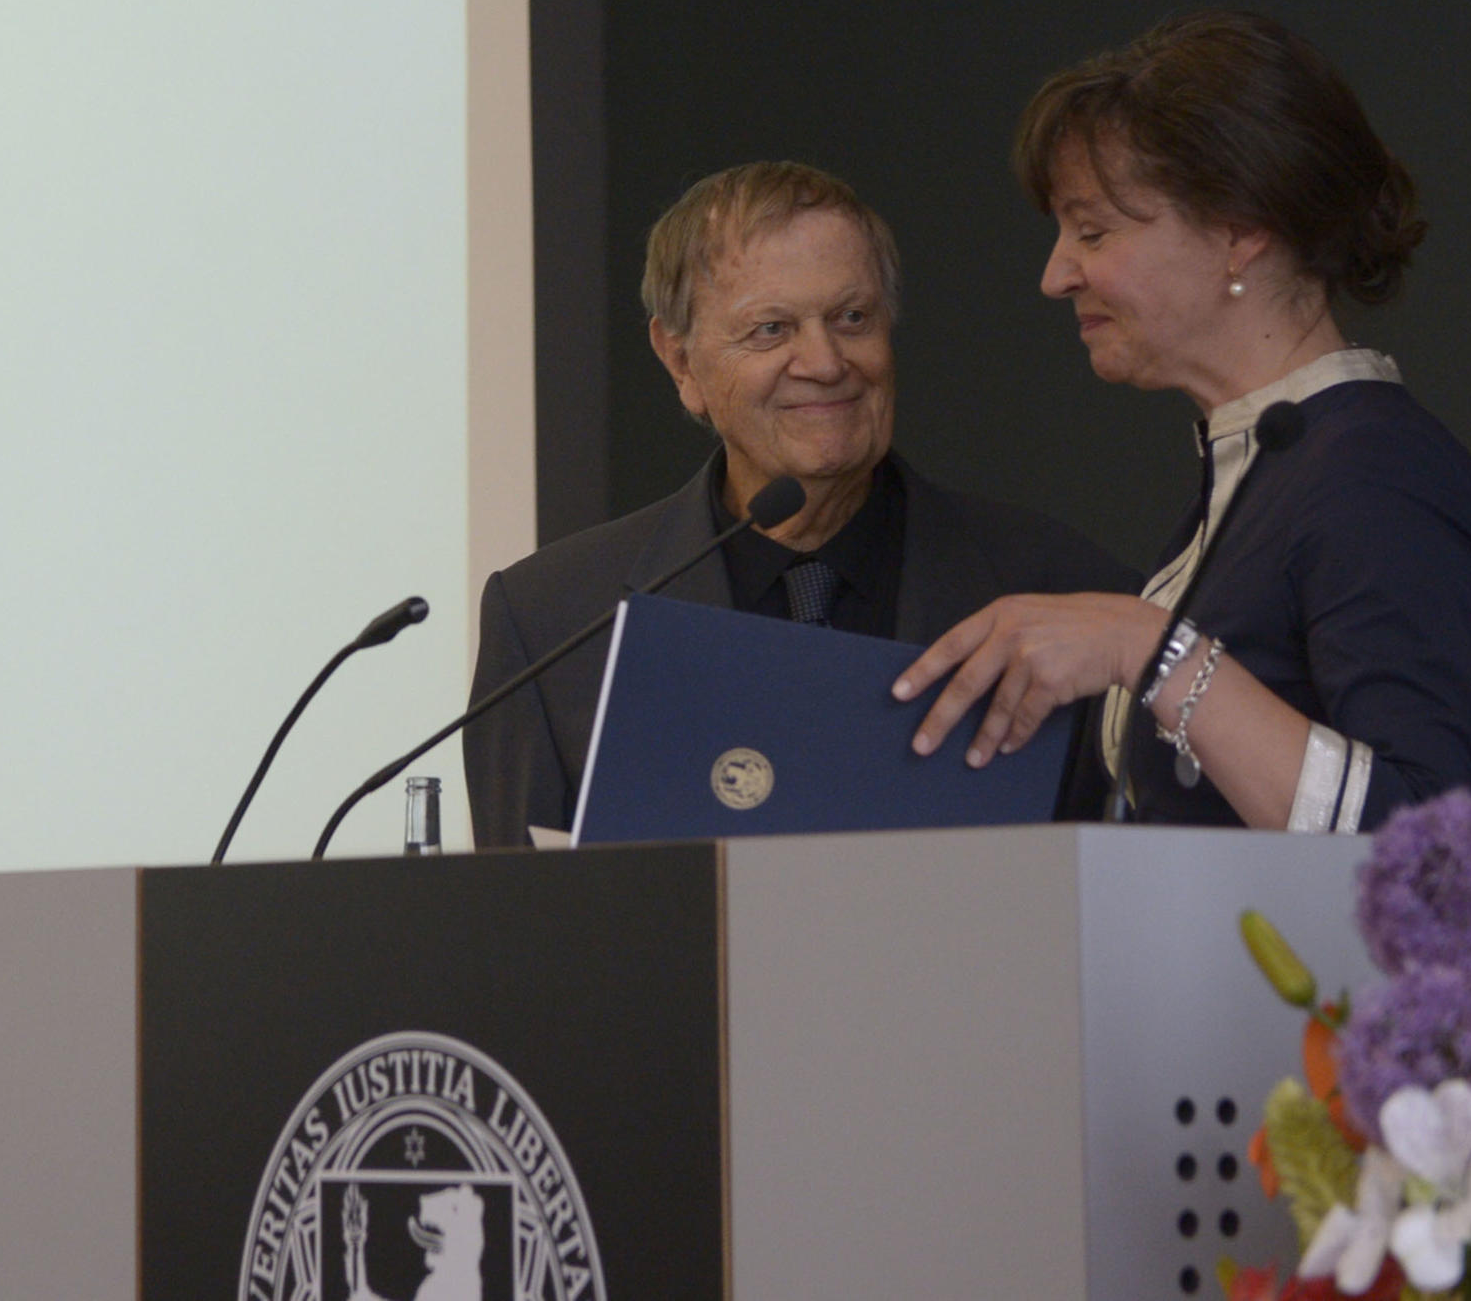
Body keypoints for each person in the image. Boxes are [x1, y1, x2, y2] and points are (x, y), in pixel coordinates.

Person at [894, 10, 1471, 833]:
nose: (1055, 275)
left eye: (1093, 231)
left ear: (1239, 230)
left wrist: (1146, 645)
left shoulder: (1377, 472)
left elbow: (1433, 845)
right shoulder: (1272, 464)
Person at [464, 161, 1138, 847]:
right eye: (770, 329)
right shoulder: (552, 625)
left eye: (852, 318)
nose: (824, 362)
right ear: (680, 362)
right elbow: (519, 909)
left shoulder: (1063, 593)